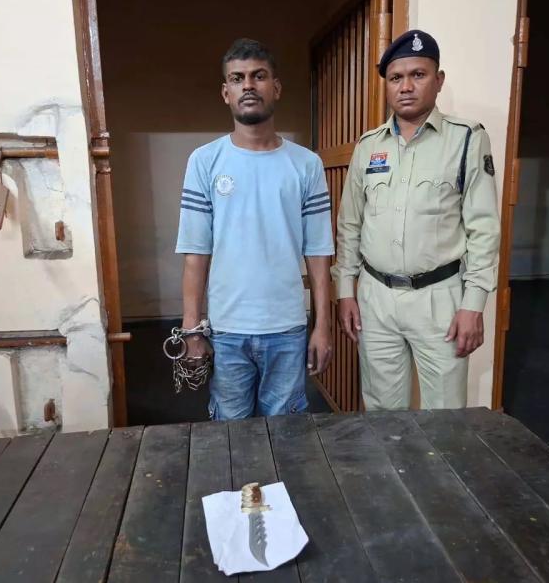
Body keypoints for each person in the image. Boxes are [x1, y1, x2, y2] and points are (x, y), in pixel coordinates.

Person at [334, 30, 500, 410]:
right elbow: (350, 225)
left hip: (440, 299)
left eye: (418, 75)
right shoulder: (368, 146)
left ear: (438, 80)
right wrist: (345, 290)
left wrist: (473, 304)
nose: (406, 86)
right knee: (381, 411)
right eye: (396, 77)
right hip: (375, 298)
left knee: (445, 414)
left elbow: (484, 229)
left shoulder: (467, 139)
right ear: (387, 86)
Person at [175, 38, 334, 420]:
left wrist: (322, 326)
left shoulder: (306, 165)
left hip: (287, 328)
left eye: (258, 76)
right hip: (227, 329)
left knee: (286, 433)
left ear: (275, 88)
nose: (248, 85)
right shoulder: (205, 162)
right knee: (230, 435)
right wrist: (192, 330)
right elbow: (196, 253)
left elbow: (319, 253)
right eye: (238, 78)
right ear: (225, 92)